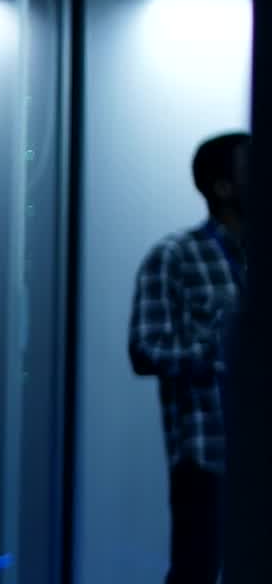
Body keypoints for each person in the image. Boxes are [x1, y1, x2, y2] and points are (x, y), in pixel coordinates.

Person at [129, 132, 251, 584]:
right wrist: (219, 356)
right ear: (223, 187)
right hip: (207, 454)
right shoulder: (174, 255)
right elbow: (145, 349)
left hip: (259, 452)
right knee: (197, 570)